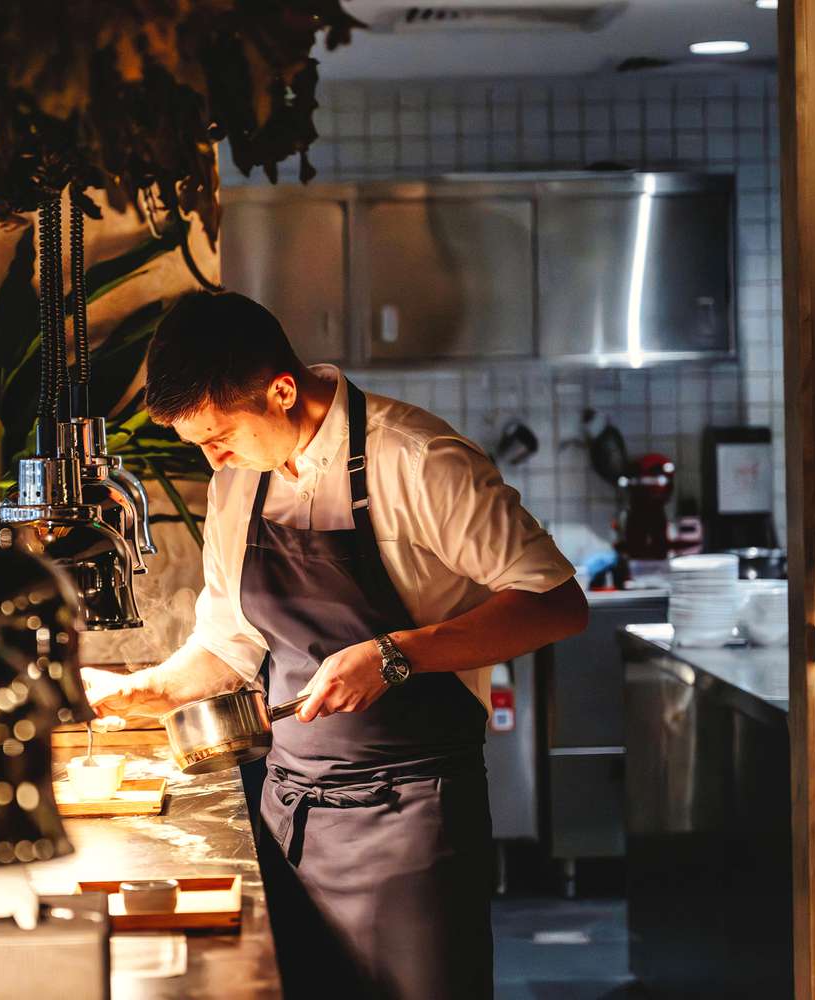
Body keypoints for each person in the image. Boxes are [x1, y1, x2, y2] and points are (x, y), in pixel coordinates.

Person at [83, 292, 588, 999]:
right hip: (290, 815)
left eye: (219, 436)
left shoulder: (417, 460)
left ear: (282, 391)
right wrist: (149, 689)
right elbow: (229, 643)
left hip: (411, 821)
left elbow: (557, 605)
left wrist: (396, 654)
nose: (212, 458)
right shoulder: (237, 484)